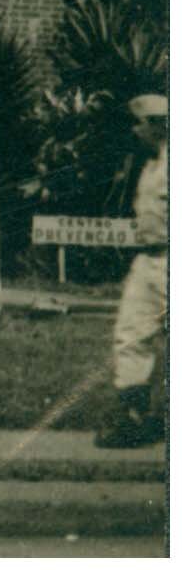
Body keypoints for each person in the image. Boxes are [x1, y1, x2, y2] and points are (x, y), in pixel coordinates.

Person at [99, 93, 170, 449]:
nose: (135, 130)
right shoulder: (151, 164)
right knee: (131, 333)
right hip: (149, 259)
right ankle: (133, 416)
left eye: (140, 123)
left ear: (158, 125)